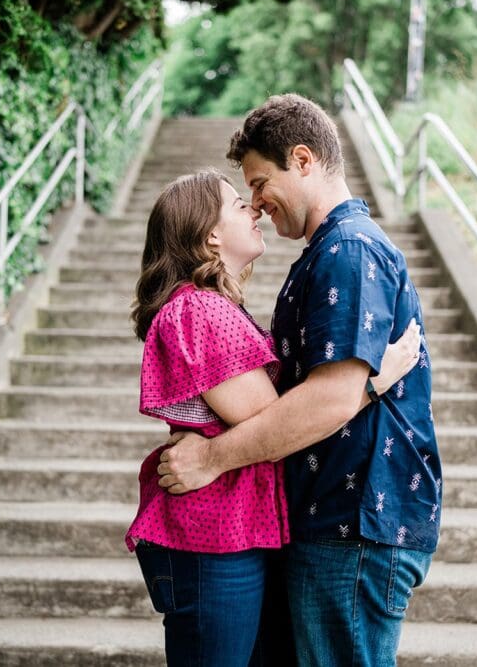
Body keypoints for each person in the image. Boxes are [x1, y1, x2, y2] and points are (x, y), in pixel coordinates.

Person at [157, 95, 441, 667]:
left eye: (260, 183)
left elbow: (330, 397)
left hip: (353, 522)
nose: (256, 204)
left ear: (304, 160)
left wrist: (212, 459)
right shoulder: (324, 254)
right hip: (329, 518)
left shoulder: (349, 250)